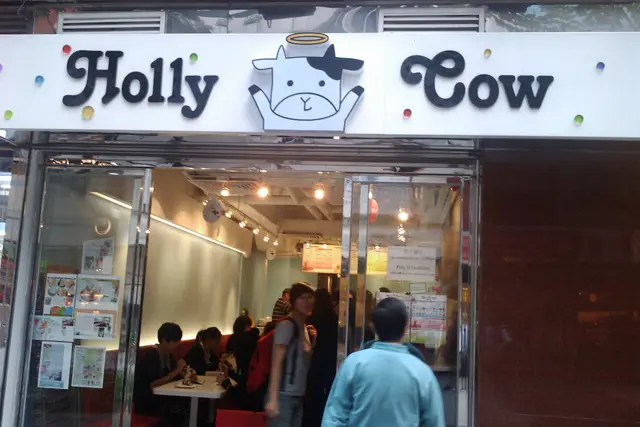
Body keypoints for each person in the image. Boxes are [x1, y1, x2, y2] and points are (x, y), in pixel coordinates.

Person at [322, 298, 445, 427]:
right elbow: (434, 421)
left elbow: (334, 416)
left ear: (373, 327)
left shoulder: (353, 364)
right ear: (406, 328)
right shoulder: (421, 371)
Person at [266, 282, 317, 427]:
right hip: (283, 396)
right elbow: (276, 363)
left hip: (297, 395)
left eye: (310, 297)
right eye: (303, 298)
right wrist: (273, 398)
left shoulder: (304, 328)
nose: (308, 302)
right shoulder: (287, 326)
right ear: (293, 302)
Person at [133, 322, 195, 427]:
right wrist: (177, 371)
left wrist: (187, 374)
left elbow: (175, 373)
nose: (177, 344)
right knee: (184, 412)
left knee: (187, 407)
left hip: (163, 400)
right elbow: (153, 385)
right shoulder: (151, 356)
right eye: (175, 341)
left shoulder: (168, 355)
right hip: (149, 404)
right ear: (164, 340)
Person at [303, 288, 339, 427]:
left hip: (313, 363)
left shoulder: (310, 320)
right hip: (329, 364)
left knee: (312, 399)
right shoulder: (335, 321)